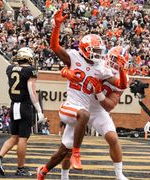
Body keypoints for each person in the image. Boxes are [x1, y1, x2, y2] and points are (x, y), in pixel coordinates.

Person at [38, 7, 128, 173]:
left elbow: (122, 85)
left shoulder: (101, 68)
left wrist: (121, 71)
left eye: (101, 51)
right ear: (86, 49)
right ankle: (77, 155)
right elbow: (55, 46)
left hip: (84, 111)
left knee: (63, 150)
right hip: (70, 107)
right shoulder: (74, 57)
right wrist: (57, 26)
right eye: (96, 51)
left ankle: (43, 171)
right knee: (83, 116)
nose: (100, 55)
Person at [59, 46, 130, 180]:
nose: (115, 64)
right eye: (114, 59)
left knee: (113, 138)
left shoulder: (123, 78)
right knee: (67, 147)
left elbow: (110, 106)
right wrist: (64, 71)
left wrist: (99, 93)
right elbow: (76, 67)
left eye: (120, 62)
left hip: (98, 109)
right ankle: (64, 176)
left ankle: (119, 174)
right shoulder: (98, 63)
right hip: (80, 105)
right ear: (108, 56)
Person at [0, 47, 45, 176]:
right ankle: (20, 168)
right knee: (23, 138)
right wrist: (39, 110)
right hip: (24, 106)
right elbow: (32, 92)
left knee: (14, 137)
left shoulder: (10, 69)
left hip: (13, 105)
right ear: (28, 57)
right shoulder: (30, 71)